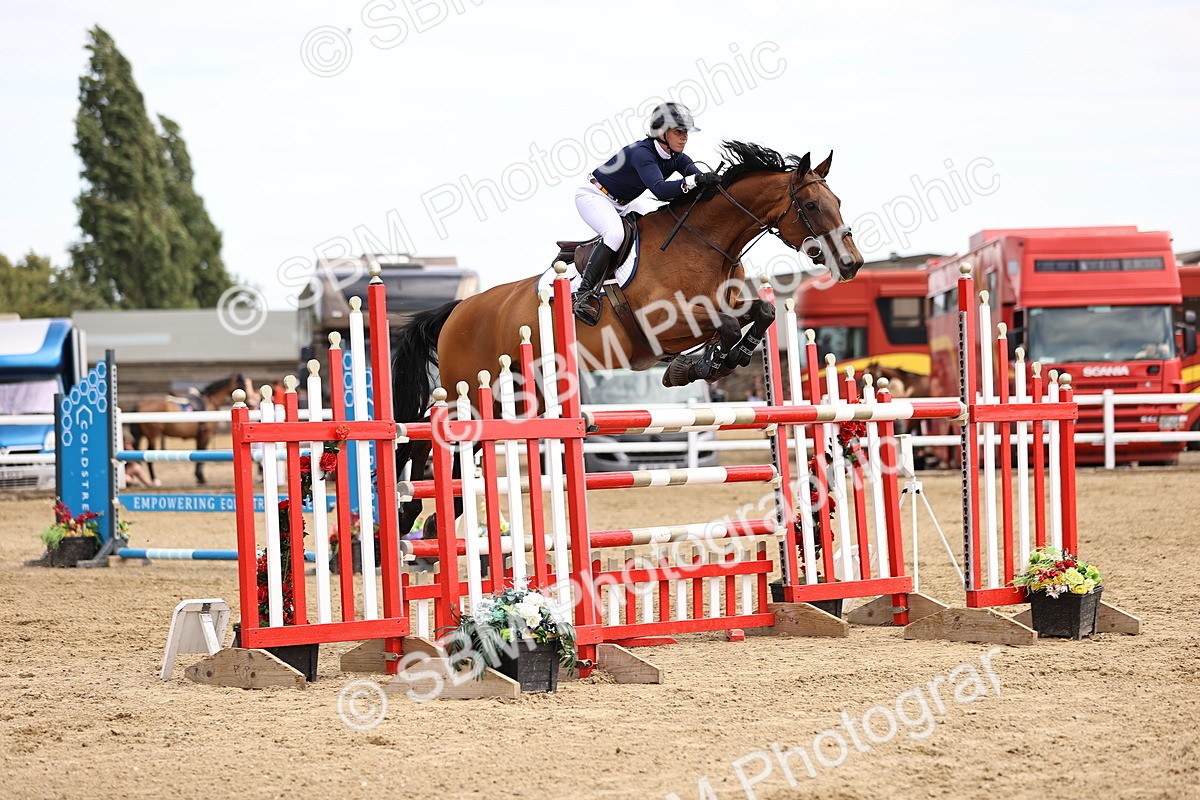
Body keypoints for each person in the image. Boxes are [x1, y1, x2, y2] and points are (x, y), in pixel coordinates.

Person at [572, 101, 721, 325]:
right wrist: (692, 181)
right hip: (595, 196)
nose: (684, 137)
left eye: (686, 132)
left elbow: (698, 180)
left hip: (623, 203)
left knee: (654, 225)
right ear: (661, 132)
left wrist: (715, 183)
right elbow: (660, 190)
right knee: (615, 235)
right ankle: (583, 293)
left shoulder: (678, 158)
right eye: (679, 131)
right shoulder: (642, 153)